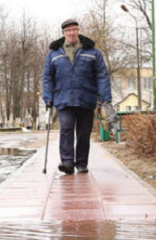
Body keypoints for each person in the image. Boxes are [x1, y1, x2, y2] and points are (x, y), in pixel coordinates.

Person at [42, 18, 112, 174]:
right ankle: (67, 162)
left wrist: (105, 98)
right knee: (66, 128)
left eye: (74, 29)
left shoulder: (93, 52)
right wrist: (48, 98)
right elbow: (47, 77)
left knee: (83, 132)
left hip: (86, 97)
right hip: (63, 97)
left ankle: (81, 163)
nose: (71, 33)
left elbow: (102, 75)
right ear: (63, 33)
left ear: (78, 31)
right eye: (68, 30)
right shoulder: (53, 54)